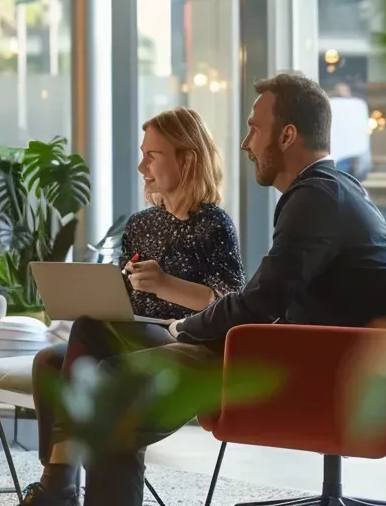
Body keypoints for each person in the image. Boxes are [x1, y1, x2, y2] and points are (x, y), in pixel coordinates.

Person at [21, 72, 386, 506]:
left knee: (117, 385)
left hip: (332, 367)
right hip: (325, 353)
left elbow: (260, 301)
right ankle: (60, 485)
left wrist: (184, 327)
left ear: (287, 136)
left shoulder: (316, 198)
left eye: (254, 128)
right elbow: (272, 298)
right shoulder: (331, 191)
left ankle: (62, 488)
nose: (246, 143)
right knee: (92, 349)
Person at [27, 108, 243, 472]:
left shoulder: (213, 223)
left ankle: (58, 479)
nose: (143, 167)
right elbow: (126, 299)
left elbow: (229, 301)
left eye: (152, 156)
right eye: (143, 156)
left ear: (187, 160)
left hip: (183, 342)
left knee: (90, 330)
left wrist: (165, 285)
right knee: (48, 361)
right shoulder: (141, 224)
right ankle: (57, 472)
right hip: (134, 333)